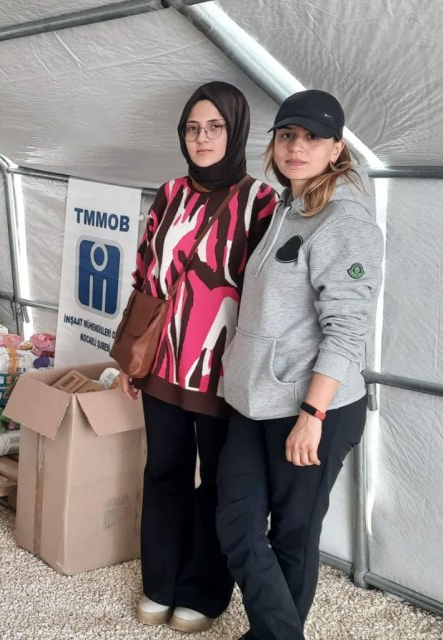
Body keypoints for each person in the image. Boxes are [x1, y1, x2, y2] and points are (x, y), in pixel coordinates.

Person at [216, 89, 383, 640]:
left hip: (313, 408)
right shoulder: (285, 209)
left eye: (313, 137)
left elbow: (348, 329)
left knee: (292, 534)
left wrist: (312, 412)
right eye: (287, 134)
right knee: (237, 524)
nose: (297, 147)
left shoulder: (345, 222)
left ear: (337, 149)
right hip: (252, 400)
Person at [118, 81, 278, 633]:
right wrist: (131, 359)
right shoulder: (168, 193)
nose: (202, 138)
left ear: (235, 132)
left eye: (215, 127)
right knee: (163, 471)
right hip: (161, 363)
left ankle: (204, 591)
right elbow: (145, 275)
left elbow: (267, 292)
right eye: (193, 127)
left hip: (220, 371)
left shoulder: (261, 202)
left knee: (215, 481)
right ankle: (159, 580)